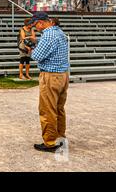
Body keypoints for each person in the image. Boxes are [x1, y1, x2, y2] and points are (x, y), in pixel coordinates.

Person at [29, 12, 69, 153]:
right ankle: (60, 137)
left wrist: (32, 47)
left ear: (41, 22)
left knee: (47, 110)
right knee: (59, 108)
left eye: (36, 25)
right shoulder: (59, 32)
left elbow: (37, 56)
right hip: (63, 75)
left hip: (51, 76)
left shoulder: (48, 35)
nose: (36, 28)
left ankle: (50, 142)